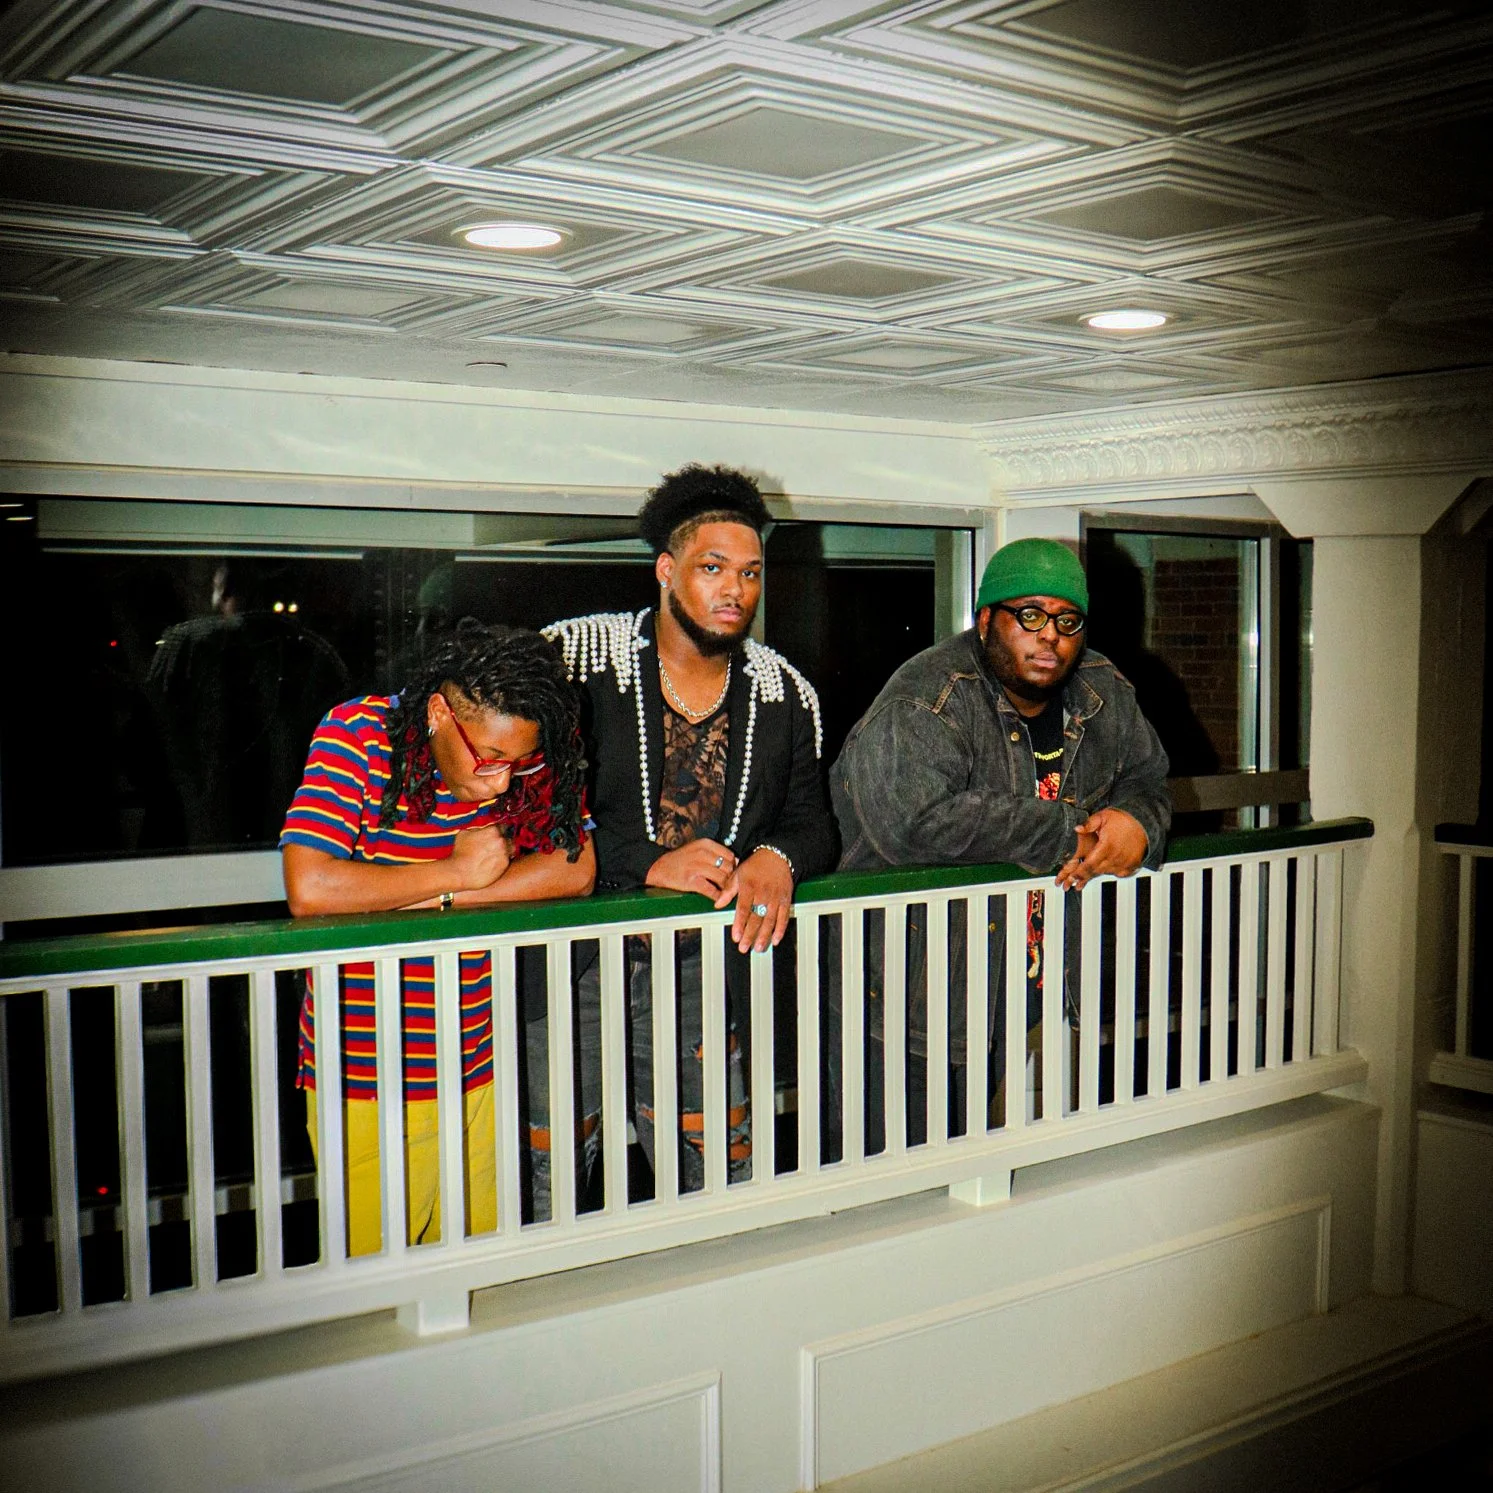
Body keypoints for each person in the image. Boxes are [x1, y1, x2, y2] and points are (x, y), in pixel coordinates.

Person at [544, 464, 836, 1192]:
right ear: (667, 570)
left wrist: (776, 856)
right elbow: (523, 812)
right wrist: (647, 862)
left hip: (699, 973)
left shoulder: (780, 691)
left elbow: (813, 821)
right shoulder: (578, 659)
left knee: (717, 1169)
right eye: (712, 568)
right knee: (541, 1166)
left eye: (749, 572)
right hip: (566, 960)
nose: (734, 589)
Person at [831, 537, 1170, 1142]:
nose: (1051, 637)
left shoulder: (1102, 690)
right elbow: (913, 822)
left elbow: (1147, 779)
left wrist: (1139, 824)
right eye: (1030, 616)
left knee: (968, 1158)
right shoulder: (927, 698)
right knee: (890, 1177)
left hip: (1011, 986)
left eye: (1068, 621)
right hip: (906, 992)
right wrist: (1072, 830)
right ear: (986, 619)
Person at [280, 620, 594, 1254]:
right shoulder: (358, 734)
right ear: (438, 713)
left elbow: (576, 866)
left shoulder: (513, 743)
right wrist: (453, 869)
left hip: (477, 1059)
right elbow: (310, 887)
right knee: (375, 1280)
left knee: (475, 1266)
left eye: (519, 762)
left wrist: (450, 895)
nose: (502, 782)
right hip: (367, 1072)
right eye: (488, 760)